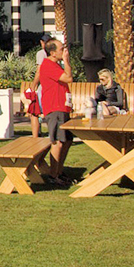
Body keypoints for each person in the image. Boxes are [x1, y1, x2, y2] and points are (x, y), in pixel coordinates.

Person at [38, 38, 74, 185]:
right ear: (52, 53)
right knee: (58, 142)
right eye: (61, 49)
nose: (64, 51)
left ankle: (59, 171)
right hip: (55, 108)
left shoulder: (55, 65)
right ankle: (53, 175)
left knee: (67, 141)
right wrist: (66, 60)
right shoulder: (48, 65)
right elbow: (68, 78)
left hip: (62, 106)